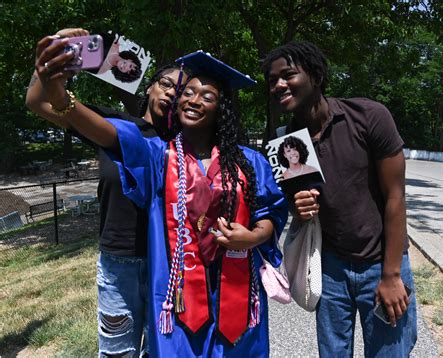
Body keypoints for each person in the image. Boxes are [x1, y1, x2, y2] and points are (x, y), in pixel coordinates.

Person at [33, 41, 288, 357]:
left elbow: (270, 215)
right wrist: (60, 95)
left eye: (207, 96)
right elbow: (108, 134)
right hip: (178, 300)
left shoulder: (249, 161)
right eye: (188, 93)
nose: (194, 100)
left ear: (221, 109)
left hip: (235, 296)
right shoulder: (157, 157)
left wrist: (251, 238)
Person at [26, 28, 189, 358]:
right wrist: (52, 60)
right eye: (167, 84)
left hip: (169, 264)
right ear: (150, 87)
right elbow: (36, 101)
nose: (173, 93)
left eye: (183, 90)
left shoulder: (187, 143)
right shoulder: (112, 125)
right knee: (118, 353)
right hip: (119, 263)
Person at [262, 41, 417, 357]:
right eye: (271, 80)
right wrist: (300, 207)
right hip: (330, 267)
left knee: (390, 352)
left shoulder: (368, 116)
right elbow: (300, 206)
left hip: (381, 261)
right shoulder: (285, 141)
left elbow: (396, 197)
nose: (278, 85)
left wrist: (390, 275)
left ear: (316, 76)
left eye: (288, 75)